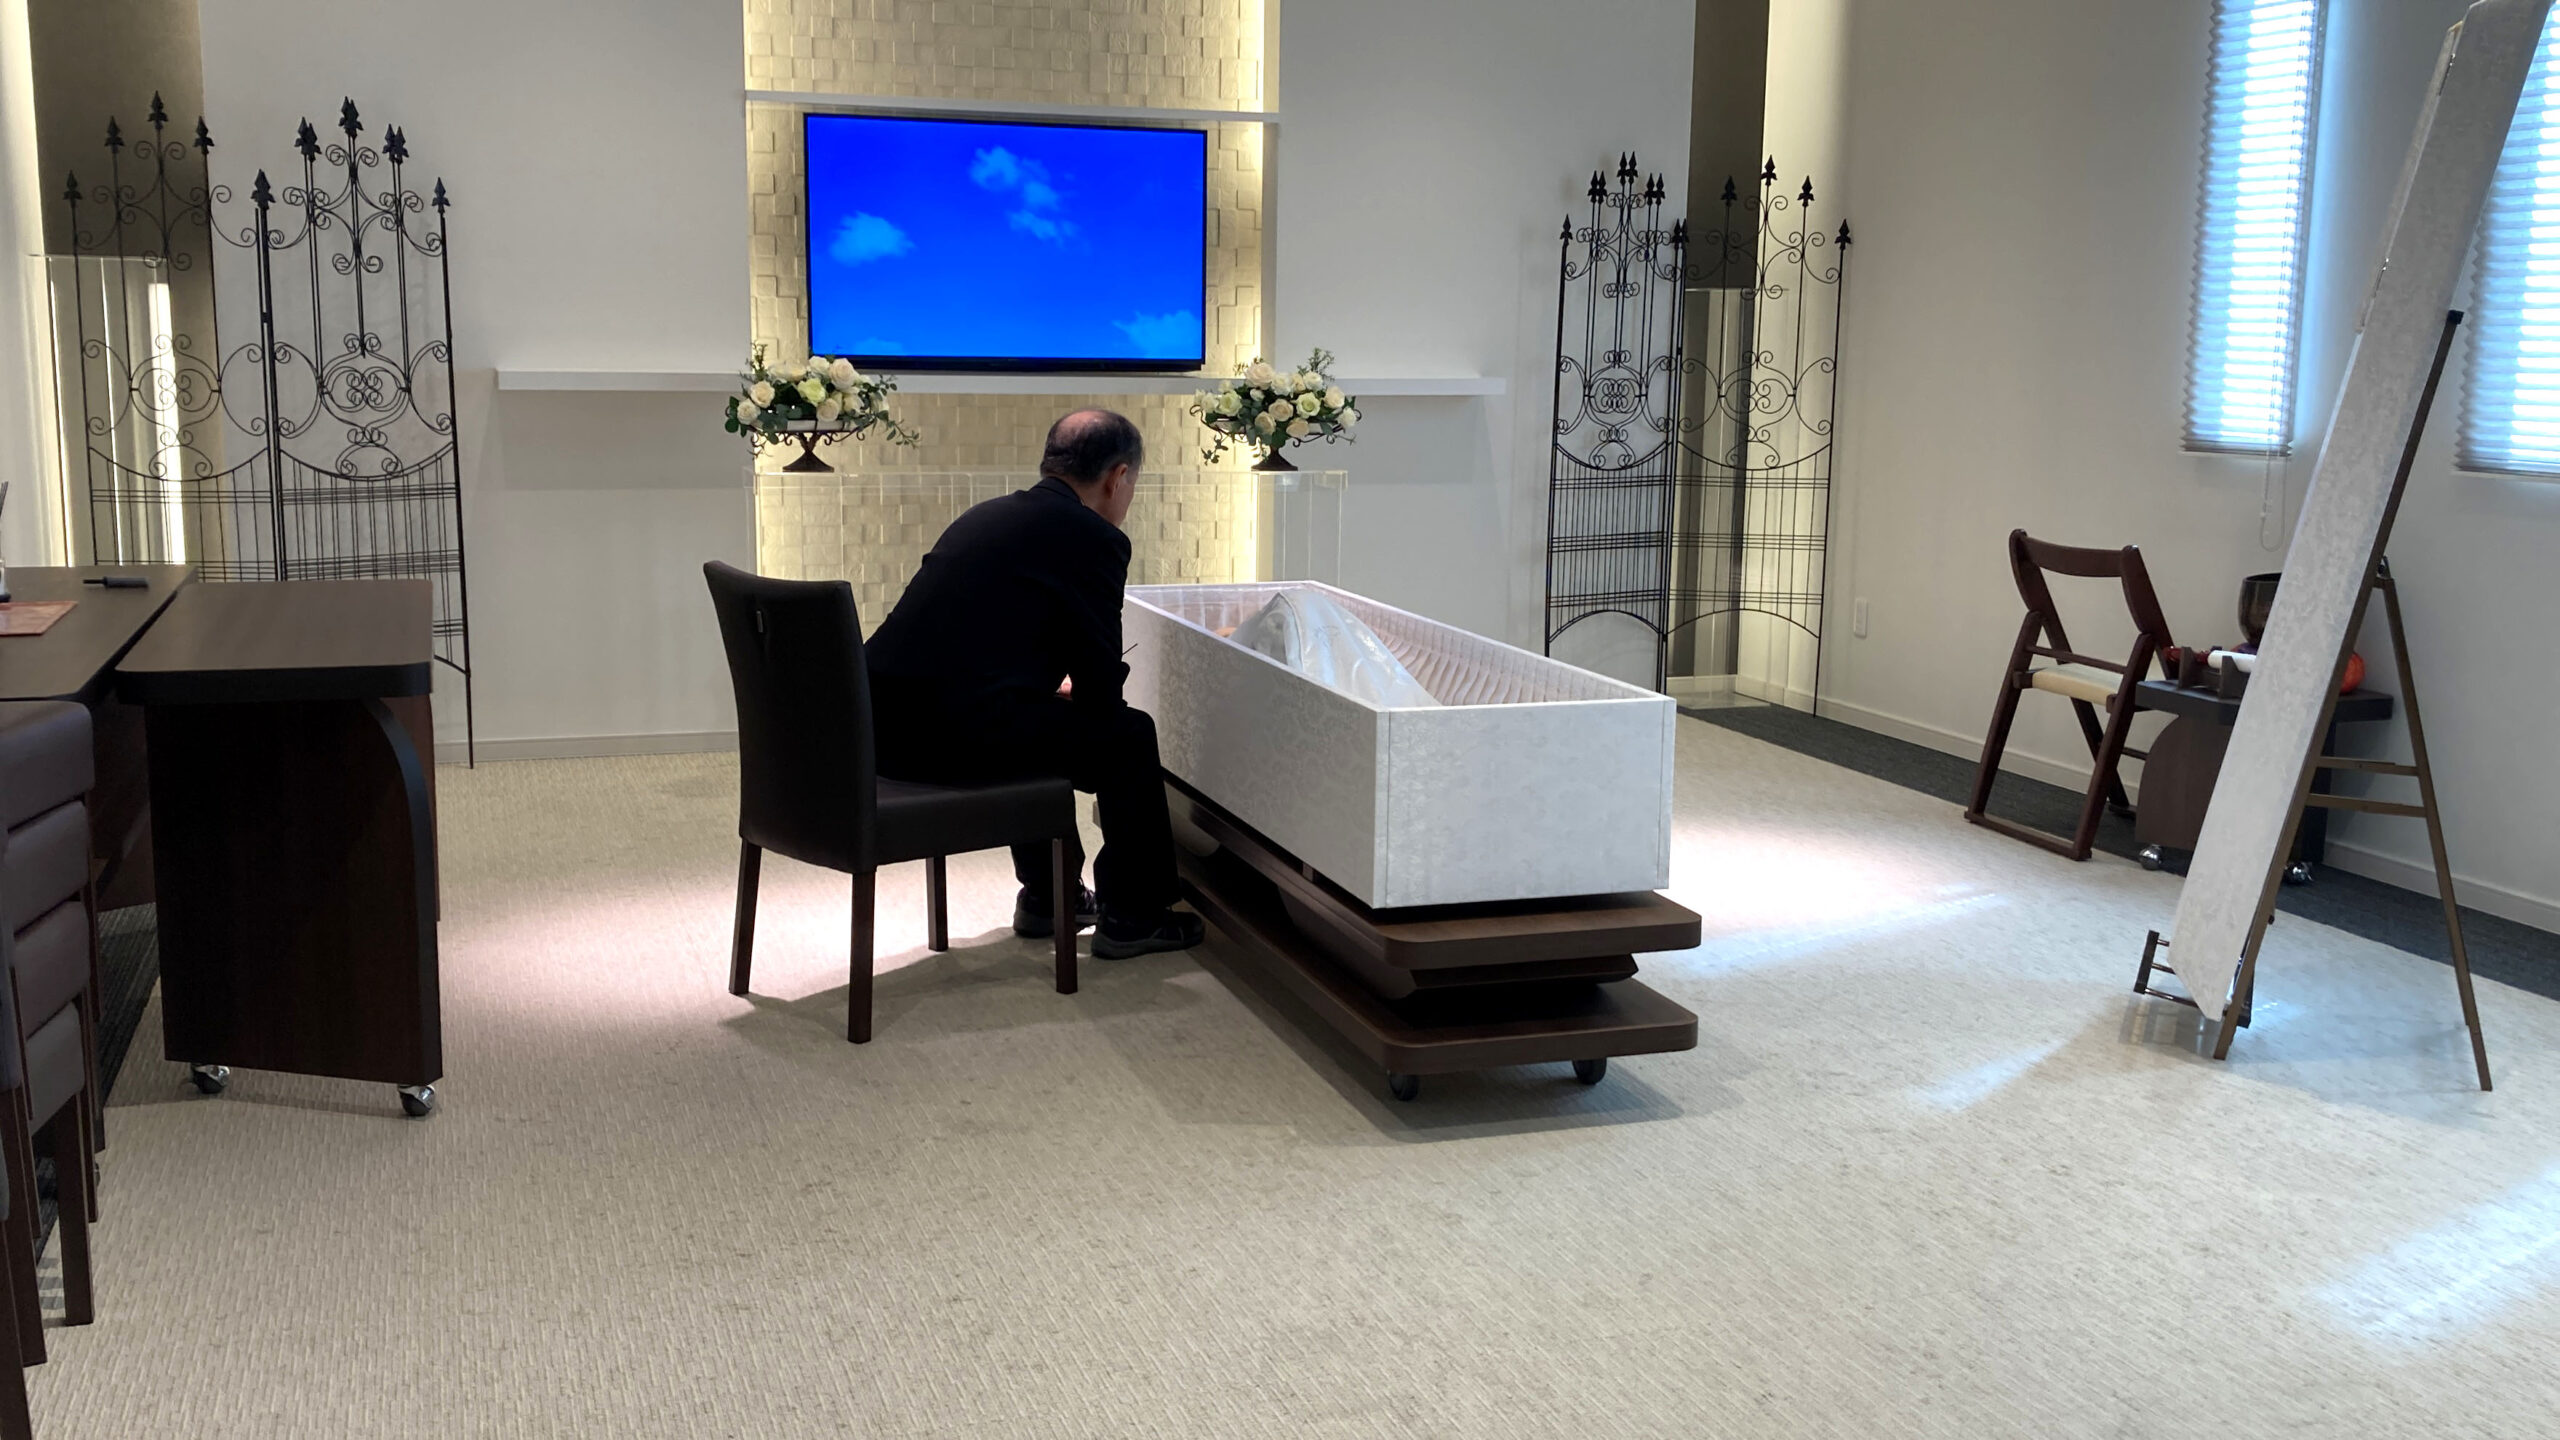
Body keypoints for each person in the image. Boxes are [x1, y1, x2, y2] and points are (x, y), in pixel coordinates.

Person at [865, 409, 1205, 959]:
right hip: (950, 743)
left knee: (1037, 718)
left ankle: (1049, 897)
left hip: (881, 732)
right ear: (1118, 477)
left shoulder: (986, 516)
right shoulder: (1091, 537)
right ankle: (1135, 915)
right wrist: (1082, 694)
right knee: (1128, 736)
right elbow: (1100, 686)